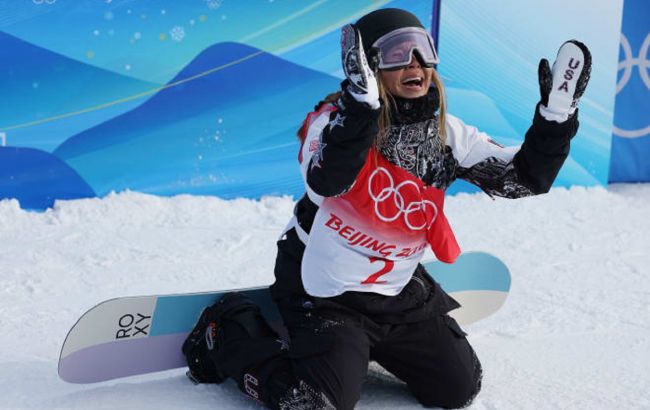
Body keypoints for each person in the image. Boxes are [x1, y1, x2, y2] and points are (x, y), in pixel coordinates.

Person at [182, 7, 591, 410]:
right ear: (367, 65)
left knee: (459, 389)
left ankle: (361, 350)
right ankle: (229, 331)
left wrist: (555, 118)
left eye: (423, 51)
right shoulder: (330, 124)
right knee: (316, 404)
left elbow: (521, 179)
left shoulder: (446, 135)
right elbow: (327, 179)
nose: (415, 63)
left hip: (396, 290)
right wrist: (361, 108)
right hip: (326, 292)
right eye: (398, 52)